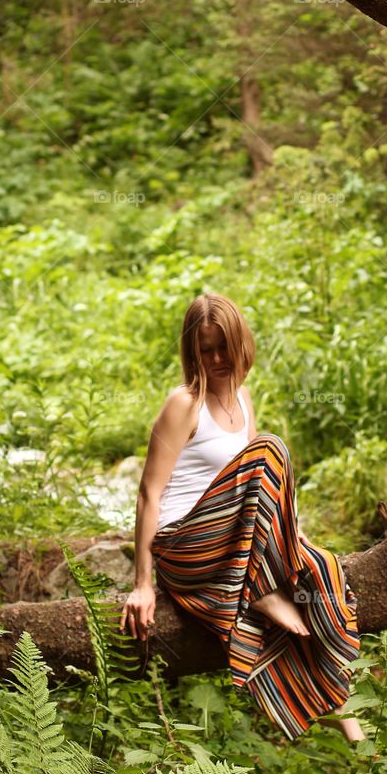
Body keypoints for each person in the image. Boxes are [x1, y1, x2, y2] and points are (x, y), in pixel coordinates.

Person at [120, 292, 365, 745]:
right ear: (192, 352)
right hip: (185, 547)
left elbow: (260, 495)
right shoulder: (184, 404)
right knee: (270, 449)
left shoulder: (244, 400)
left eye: (223, 348)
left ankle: (347, 719)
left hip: (230, 548)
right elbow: (148, 493)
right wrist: (143, 584)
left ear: (240, 344)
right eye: (205, 350)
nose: (215, 359)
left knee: (321, 567)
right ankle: (262, 592)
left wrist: (294, 541)